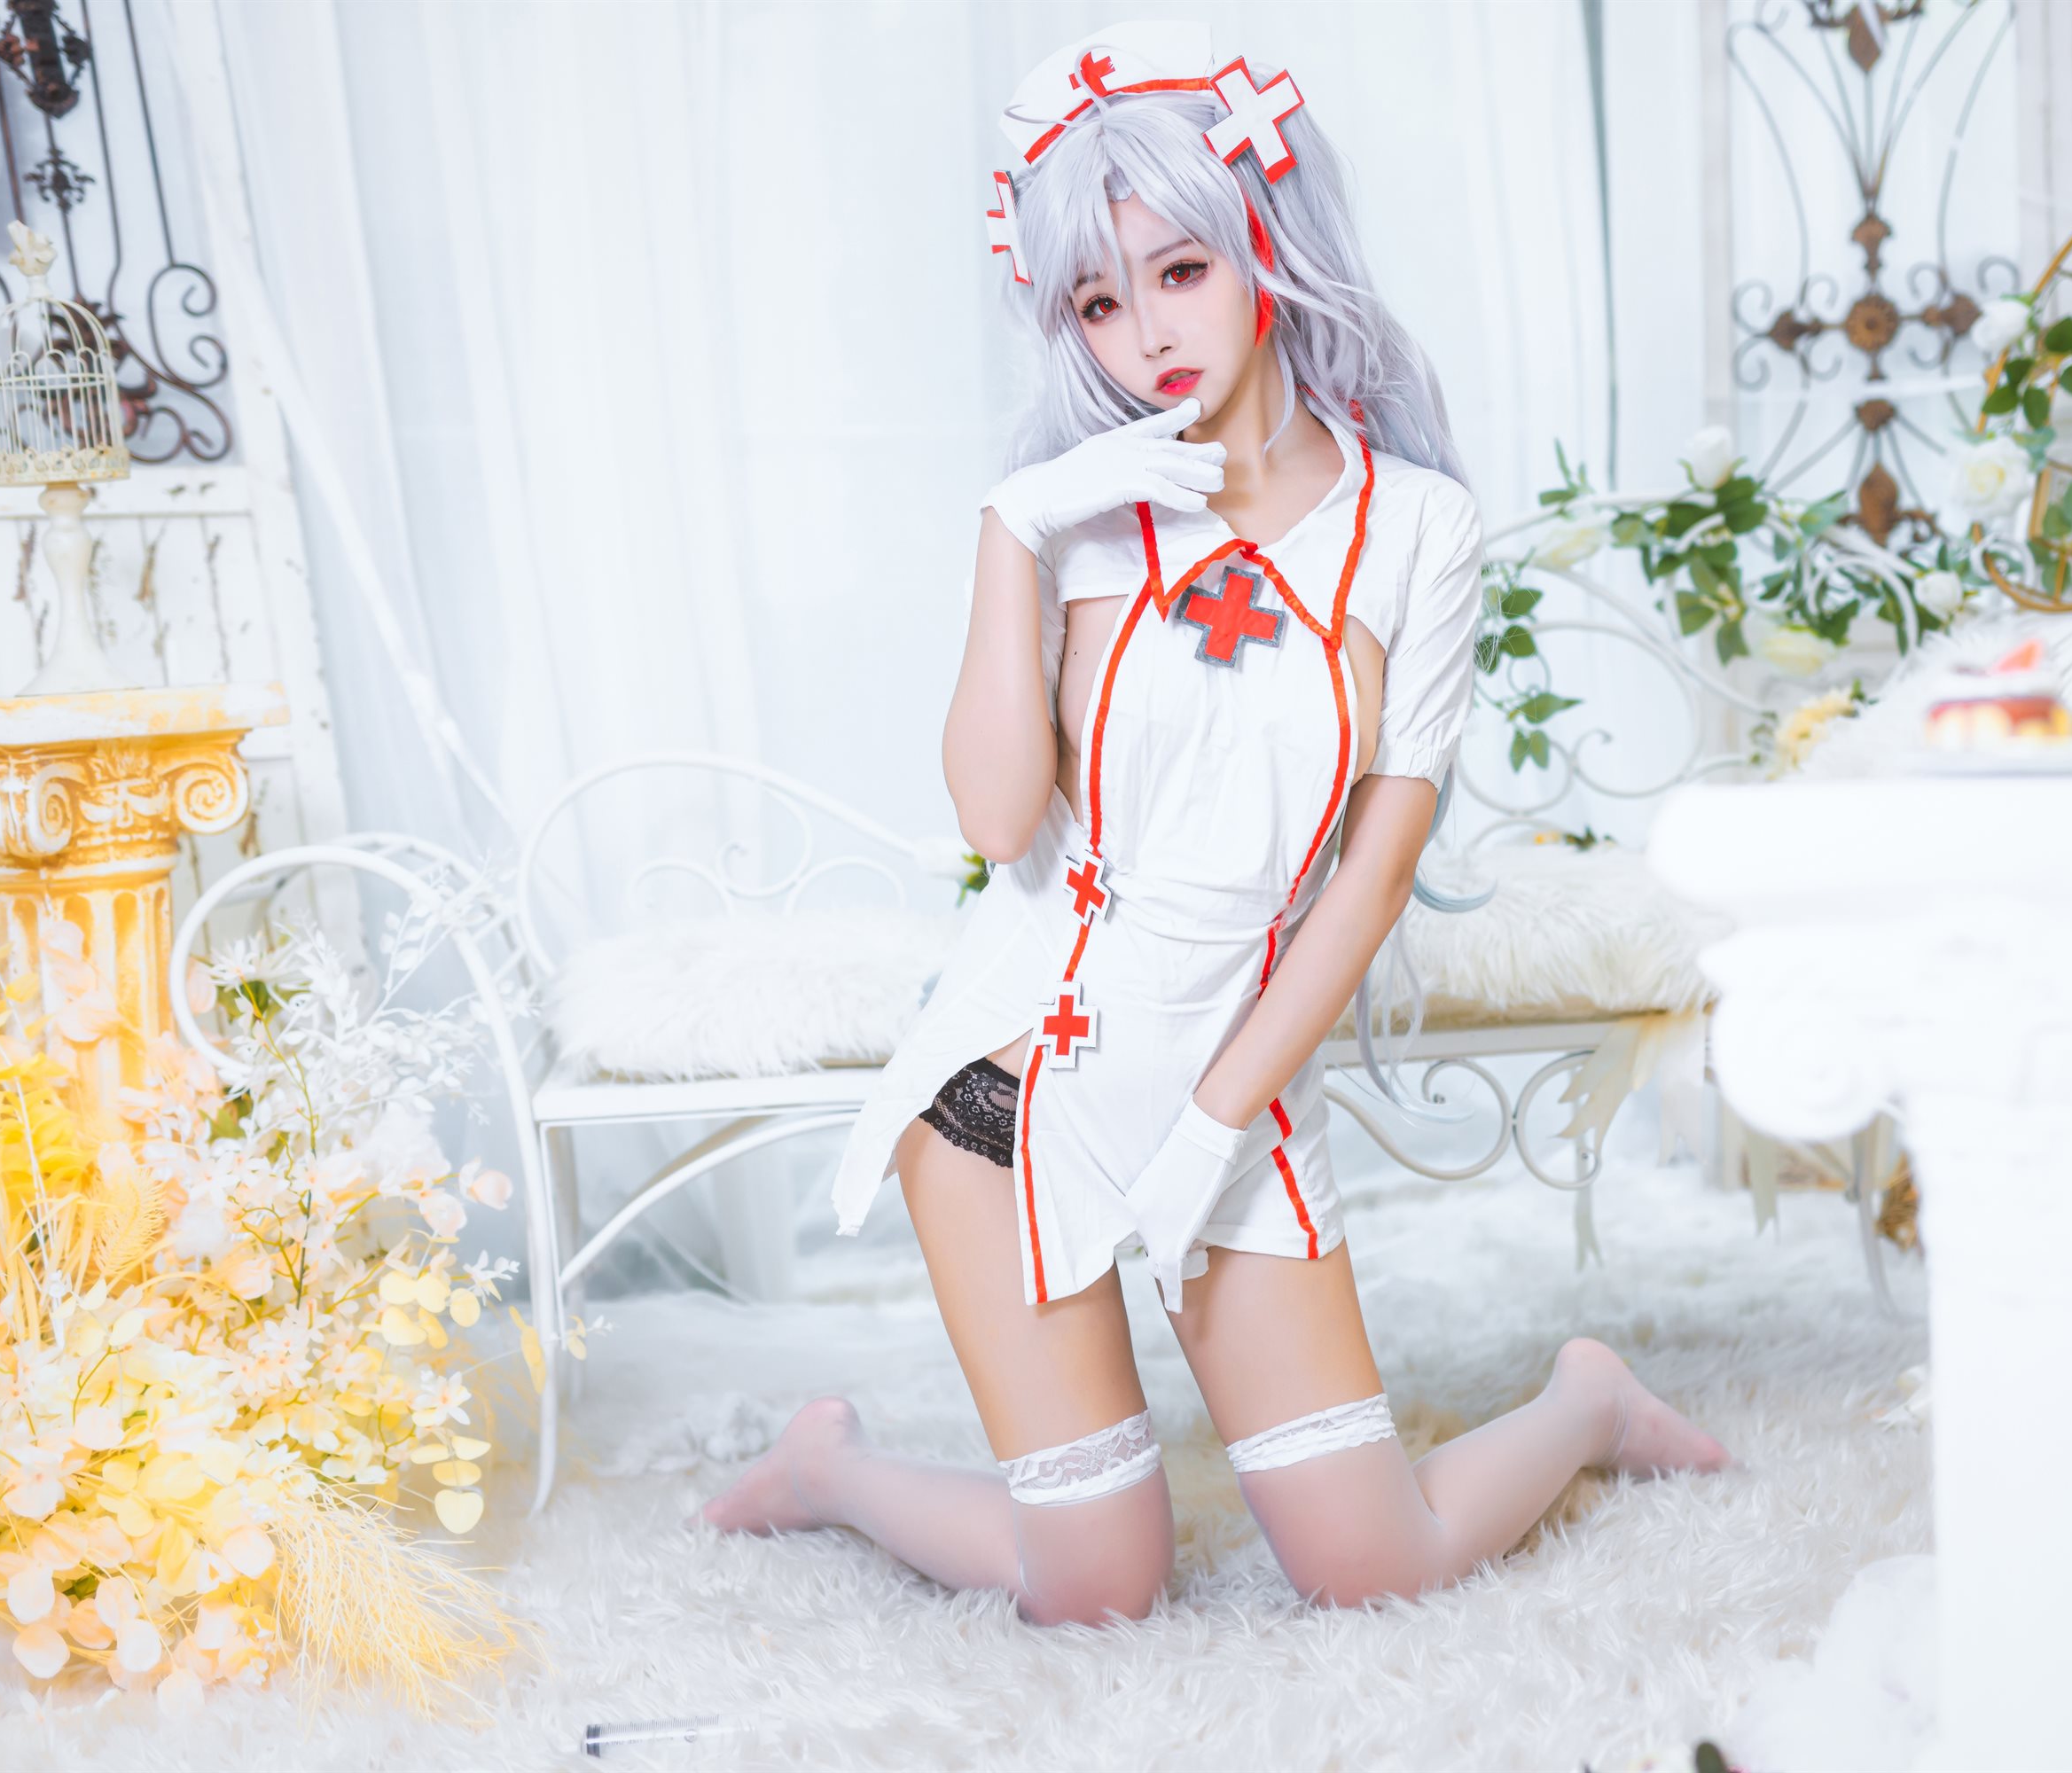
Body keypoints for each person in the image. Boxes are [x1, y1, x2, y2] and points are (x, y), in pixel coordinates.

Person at [701, 20, 1724, 1624]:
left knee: (1371, 1568)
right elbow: (996, 816)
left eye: (1180, 271)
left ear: (1270, 246)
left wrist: (1208, 1127)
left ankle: (1588, 1400)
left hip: (1227, 1088)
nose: (1147, 334)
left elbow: (1372, 876)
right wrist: (1012, 528)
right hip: (1011, 1093)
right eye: (1097, 302)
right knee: (1095, 1592)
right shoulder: (1074, 514)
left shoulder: (1416, 526)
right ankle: (827, 1468)